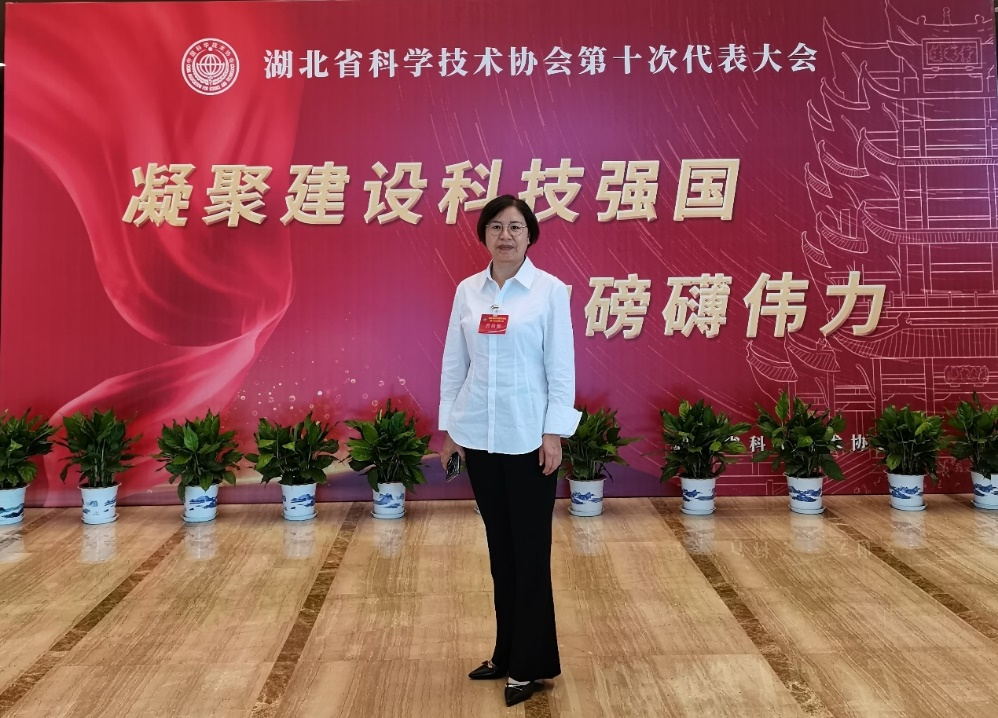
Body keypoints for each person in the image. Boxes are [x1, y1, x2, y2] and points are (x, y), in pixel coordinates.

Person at [438, 194, 581, 707]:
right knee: (501, 552)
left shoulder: (549, 291)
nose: (505, 236)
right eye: (496, 226)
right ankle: (505, 652)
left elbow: (560, 367)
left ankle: (530, 662)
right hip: (480, 438)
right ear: (484, 235)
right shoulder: (467, 291)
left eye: (515, 227)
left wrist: (554, 432)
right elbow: (455, 363)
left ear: (530, 235)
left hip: (528, 441)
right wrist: (451, 429)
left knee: (530, 552)